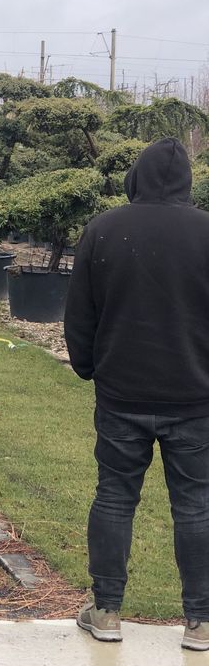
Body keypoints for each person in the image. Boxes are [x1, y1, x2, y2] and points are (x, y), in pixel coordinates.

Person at [64, 137, 209, 651]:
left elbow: (80, 312)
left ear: (137, 176)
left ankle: (105, 612)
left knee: (115, 498)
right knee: (195, 506)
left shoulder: (103, 229)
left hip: (122, 395)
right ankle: (200, 622)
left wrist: (88, 367)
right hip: (195, 399)